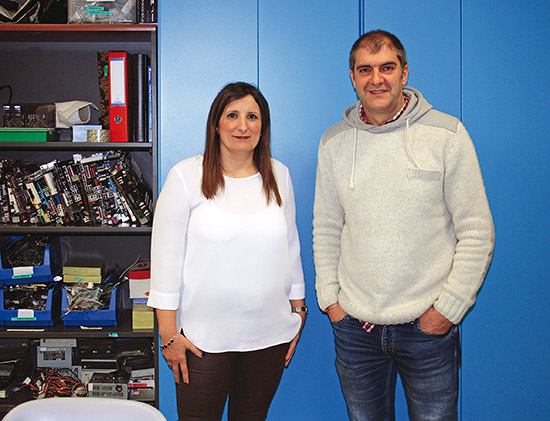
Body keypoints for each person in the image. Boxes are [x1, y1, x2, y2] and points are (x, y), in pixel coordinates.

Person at [313, 30, 495, 420]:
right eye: (365, 70)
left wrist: (447, 310)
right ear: (352, 77)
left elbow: (477, 231)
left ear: (404, 72)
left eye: (387, 68)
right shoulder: (333, 143)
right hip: (356, 329)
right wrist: (331, 300)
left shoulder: (447, 135)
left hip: (427, 330)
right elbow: (326, 227)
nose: (376, 79)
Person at [147, 82, 307, 420]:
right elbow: (165, 262)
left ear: (263, 126)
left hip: (269, 337)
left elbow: (290, 247)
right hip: (202, 341)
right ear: (216, 124)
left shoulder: (279, 175)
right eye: (232, 115)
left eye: (252, 116)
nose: (242, 126)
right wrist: (168, 335)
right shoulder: (185, 177)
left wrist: (299, 310)